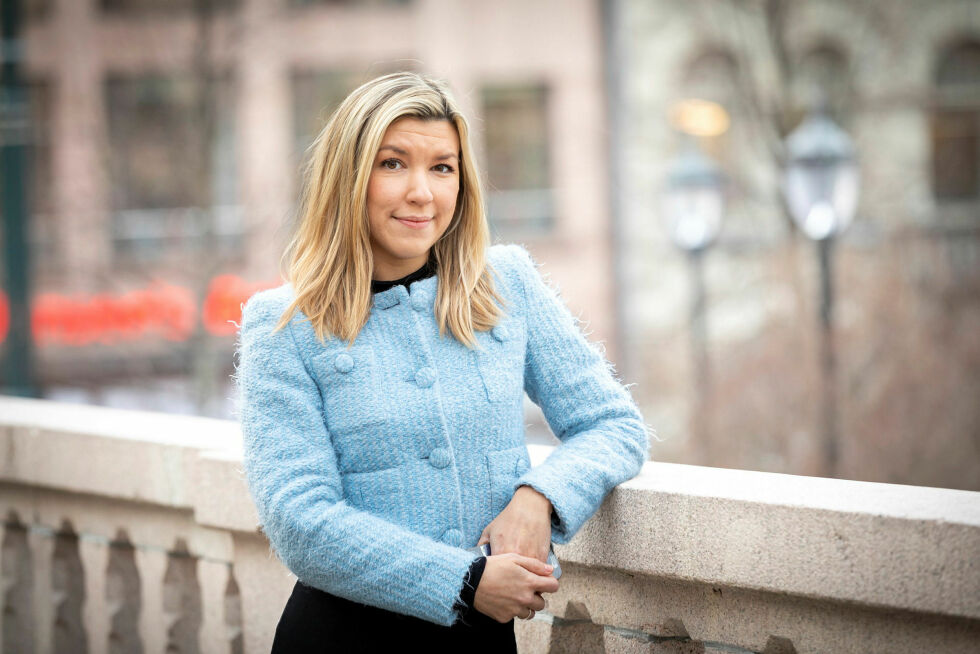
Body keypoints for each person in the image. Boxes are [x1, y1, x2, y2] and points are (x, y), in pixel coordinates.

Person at [235, 71, 650, 653]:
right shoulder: (284, 326)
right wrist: (465, 582)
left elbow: (613, 424)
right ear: (348, 176)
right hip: (343, 638)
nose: (422, 193)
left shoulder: (507, 284)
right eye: (393, 163)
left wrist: (540, 497)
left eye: (442, 167)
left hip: (477, 642)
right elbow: (300, 522)